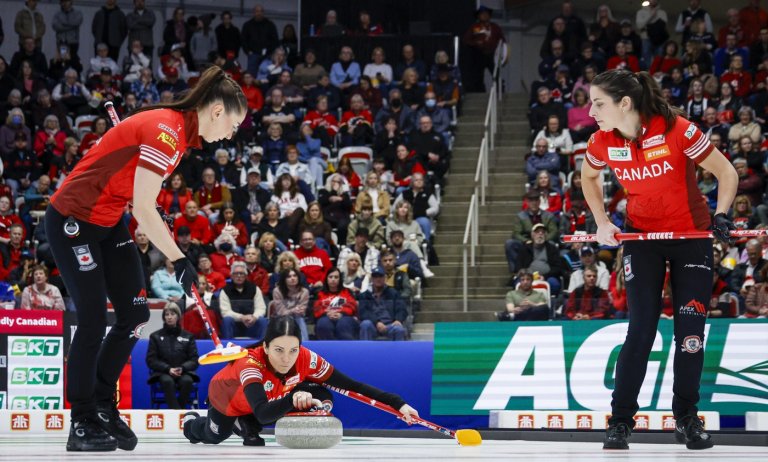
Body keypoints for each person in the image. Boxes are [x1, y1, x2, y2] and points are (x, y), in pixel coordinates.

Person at [44, 65, 247, 452]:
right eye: (233, 125)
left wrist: (154, 215)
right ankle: (82, 419)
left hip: (107, 219)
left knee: (135, 314)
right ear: (218, 111)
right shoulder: (167, 131)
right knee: (92, 319)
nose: (231, 134)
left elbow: (138, 194)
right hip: (73, 218)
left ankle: (103, 405)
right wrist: (180, 259)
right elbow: (142, 208)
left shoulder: (179, 136)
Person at [582, 69, 738, 450]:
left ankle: (686, 419)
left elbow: (726, 172)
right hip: (642, 239)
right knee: (640, 330)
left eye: (598, 103)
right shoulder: (601, 141)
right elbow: (588, 177)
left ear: (624, 103)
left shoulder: (678, 130)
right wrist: (602, 222)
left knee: (690, 336)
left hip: (691, 238)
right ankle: (620, 422)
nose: (591, 112)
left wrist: (721, 214)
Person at [182, 316, 418, 445]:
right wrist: (293, 398)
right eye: (279, 350)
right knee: (214, 436)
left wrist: (398, 404)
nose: (286, 359)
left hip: (263, 399)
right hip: (227, 399)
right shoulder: (250, 364)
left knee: (320, 393)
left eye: (293, 350)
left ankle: (245, 425)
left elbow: (352, 386)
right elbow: (264, 413)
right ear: (266, 347)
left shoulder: (307, 359)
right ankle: (192, 424)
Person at [146, 302, 199, 409]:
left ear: (178, 316)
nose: (169, 317)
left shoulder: (188, 336)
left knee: (187, 381)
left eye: (172, 314)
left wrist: (182, 368)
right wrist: (168, 369)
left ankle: (178, 411)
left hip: (183, 372)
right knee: (167, 381)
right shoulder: (155, 336)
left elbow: (194, 359)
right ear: (164, 317)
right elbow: (151, 360)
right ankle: (178, 413)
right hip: (163, 372)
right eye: (167, 314)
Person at [220, 261, 268, 340]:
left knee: (263, 320)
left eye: (241, 274)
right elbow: (225, 312)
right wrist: (241, 317)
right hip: (234, 325)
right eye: (236, 274)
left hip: (251, 324)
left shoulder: (254, 288)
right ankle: (227, 345)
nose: (239, 276)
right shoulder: (225, 290)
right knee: (226, 320)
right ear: (231, 276)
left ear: (246, 275)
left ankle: (262, 345)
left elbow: (261, 308)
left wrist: (254, 317)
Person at [462, 6, 505, 92]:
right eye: (482, 14)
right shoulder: (475, 27)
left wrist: (500, 49)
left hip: (493, 54)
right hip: (479, 54)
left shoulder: (495, 27)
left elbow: (502, 40)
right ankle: (480, 92)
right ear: (478, 16)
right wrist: (475, 43)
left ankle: (500, 91)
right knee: (477, 76)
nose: (484, 15)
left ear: (489, 15)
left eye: (486, 13)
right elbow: (466, 40)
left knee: (496, 73)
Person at [358, 267, 408, 340]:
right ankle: (365, 347)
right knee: (365, 324)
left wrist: (398, 320)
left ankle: (399, 348)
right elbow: (363, 313)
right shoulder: (365, 295)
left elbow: (402, 309)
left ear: (385, 278)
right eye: (375, 277)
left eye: (380, 276)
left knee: (398, 329)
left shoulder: (393, 293)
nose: (378, 279)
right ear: (372, 279)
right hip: (373, 325)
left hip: (391, 325)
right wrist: (376, 322)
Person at [313, 267, 359, 340]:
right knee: (323, 324)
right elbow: (317, 308)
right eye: (330, 277)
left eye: (336, 277)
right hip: (326, 317)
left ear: (340, 279)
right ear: (326, 279)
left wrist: (341, 313)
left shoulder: (347, 291)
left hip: (345, 317)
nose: (333, 279)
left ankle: (346, 347)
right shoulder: (320, 293)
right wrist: (327, 313)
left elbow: (352, 306)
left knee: (343, 324)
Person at [269, 268, 310, 341]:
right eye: (289, 277)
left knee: (299, 319)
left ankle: (304, 343)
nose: (292, 278)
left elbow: (302, 310)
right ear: (284, 279)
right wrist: (293, 310)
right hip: (280, 318)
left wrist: (297, 311)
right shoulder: (277, 291)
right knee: (286, 320)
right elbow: (280, 312)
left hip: (297, 317)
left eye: (295, 276)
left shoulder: (304, 291)